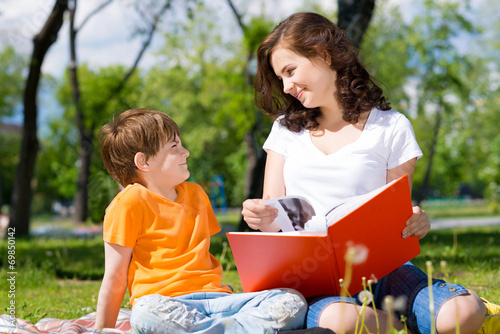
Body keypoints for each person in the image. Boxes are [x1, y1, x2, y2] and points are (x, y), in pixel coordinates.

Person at [241, 12, 500, 334]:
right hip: (315, 278)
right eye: (280, 78)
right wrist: (261, 217)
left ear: (323, 54)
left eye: (290, 71)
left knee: (461, 314)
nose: (287, 86)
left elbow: (395, 212)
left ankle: (456, 308)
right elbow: (274, 211)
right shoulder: (284, 131)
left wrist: (417, 220)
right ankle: (393, 322)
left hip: (385, 270)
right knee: (343, 321)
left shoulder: (391, 127)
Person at [94, 108, 309, 334]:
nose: (185, 152)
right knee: (145, 313)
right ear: (144, 161)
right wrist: (102, 330)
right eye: (174, 147)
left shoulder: (196, 194)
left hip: (219, 301)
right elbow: (115, 277)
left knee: (292, 300)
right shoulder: (128, 203)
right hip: (166, 304)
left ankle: (218, 330)